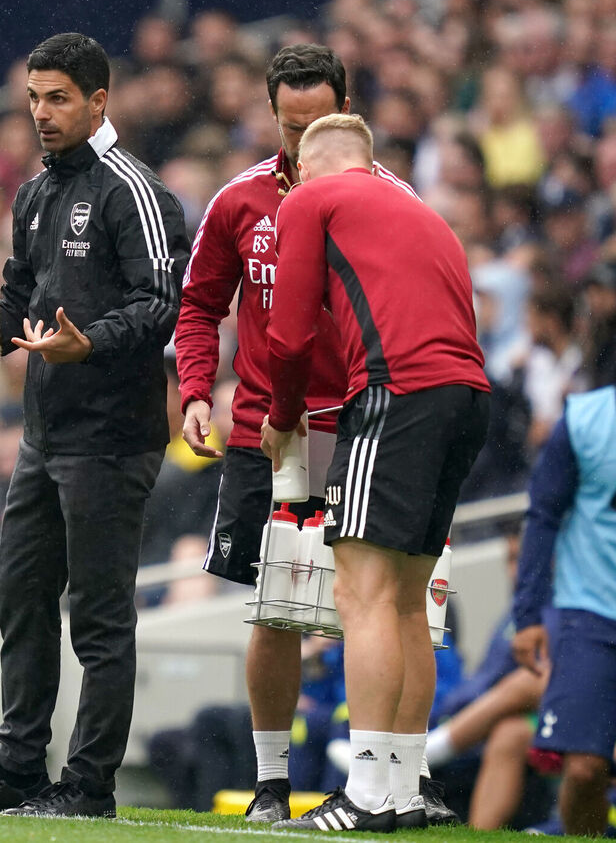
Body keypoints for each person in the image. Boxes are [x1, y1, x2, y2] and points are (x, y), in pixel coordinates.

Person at [173, 43, 458, 825]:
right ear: (272, 115)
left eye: (315, 123)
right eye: (289, 124)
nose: (300, 142)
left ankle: (408, 774)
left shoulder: (389, 197)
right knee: (275, 609)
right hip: (270, 430)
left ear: (345, 112)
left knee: (406, 603)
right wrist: (196, 389)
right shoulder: (239, 202)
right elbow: (199, 306)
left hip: (365, 420)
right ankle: (272, 782)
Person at [0, 32, 188, 819]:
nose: (41, 113)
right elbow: (10, 303)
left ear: (101, 100)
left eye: (58, 97)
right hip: (43, 436)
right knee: (20, 601)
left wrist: (89, 340)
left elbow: (163, 299)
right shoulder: (34, 195)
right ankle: (20, 768)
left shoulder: (137, 191)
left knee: (99, 620)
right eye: (33, 98)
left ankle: (89, 786)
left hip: (111, 437)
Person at [262, 113, 490, 831]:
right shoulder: (423, 213)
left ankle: (364, 793)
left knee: (361, 594)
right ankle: (402, 786)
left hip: (397, 393)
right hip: (467, 397)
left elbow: (290, 332)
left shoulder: (309, 198)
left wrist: (281, 415)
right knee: (406, 602)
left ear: (304, 166)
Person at [511, 384, 616, 837]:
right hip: (591, 611)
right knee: (585, 770)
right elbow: (543, 514)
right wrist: (528, 616)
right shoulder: (586, 418)